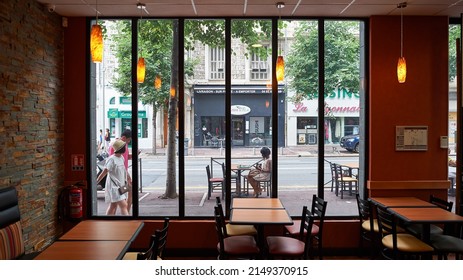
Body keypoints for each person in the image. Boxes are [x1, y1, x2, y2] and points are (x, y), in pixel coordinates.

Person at [96, 139, 129, 215]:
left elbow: (123, 170)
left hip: (122, 185)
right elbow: (105, 172)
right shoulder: (111, 159)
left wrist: (128, 178)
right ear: (120, 149)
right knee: (124, 205)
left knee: (113, 205)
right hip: (114, 186)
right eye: (124, 147)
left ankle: (108, 221)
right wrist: (97, 181)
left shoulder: (121, 158)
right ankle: (127, 223)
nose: (125, 148)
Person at [109, 129, 133, 213]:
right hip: (119, 177)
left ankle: (126, 212)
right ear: (123, 137)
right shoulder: (117, 145)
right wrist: (127, 175)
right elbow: (116, 161)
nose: (129, 141)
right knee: (116, 202)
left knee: (115, 203)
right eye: (129, 139)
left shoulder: (123, 145)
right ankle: (126, 213)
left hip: (123, 174)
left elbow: (125, 158)